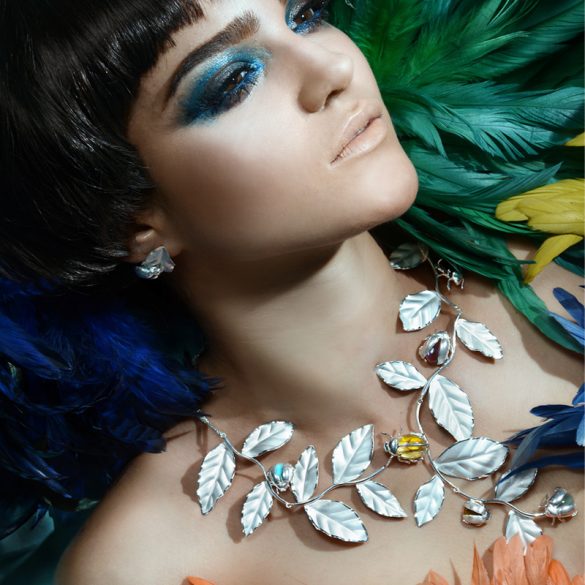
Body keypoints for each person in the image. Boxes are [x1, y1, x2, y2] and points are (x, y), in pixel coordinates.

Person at [0, 1, 582, 584]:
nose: (332, 68)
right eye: (235, 79)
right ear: (132, 221)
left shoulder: (560, 262)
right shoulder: (144, 564)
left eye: (304, 15)